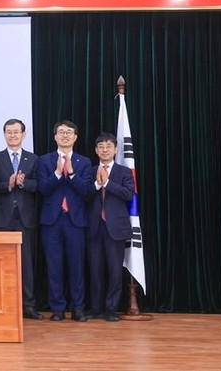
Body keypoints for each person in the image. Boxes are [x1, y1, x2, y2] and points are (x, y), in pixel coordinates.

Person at [37, 120, 94, 322]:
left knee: (77, 265)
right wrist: (56, 173)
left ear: (76, 137)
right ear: (55, 137)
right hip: (51, 221)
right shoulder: (44, 161)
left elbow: (87, 190)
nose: (65, 135)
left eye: (69, 132)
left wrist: (70, 173)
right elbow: (43, 189)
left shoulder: (84, 162)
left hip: (75, 221)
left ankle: (78, 308)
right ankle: (58, 309)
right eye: (61, 132)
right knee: (54, 266)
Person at [0, 119, 43, 320]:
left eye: (16, 132)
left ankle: (28, 305)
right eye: (9, 132)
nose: (12, 136)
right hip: (2, 218)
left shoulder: (33, 159)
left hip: (26, 218)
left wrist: (23, 183)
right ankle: (4, 304)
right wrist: (8, 184)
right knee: (3, 264)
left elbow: (39, 185)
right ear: (4, 135)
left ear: (24, 135)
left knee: (26, 264)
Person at [86, 133, 135, 322]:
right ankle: (96, 307)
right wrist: (97, 185)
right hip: (94, 227)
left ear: (116, 150)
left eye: (108, 146)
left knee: (115, 269)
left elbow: (128, 194)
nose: (104, 149)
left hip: (116, 228)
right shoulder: (89, 171)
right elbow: (84, 194)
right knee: (95, 269)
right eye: (100, 146)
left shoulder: (124, 172)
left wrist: (107, 183)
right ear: (96, 150)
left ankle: (112, 308)